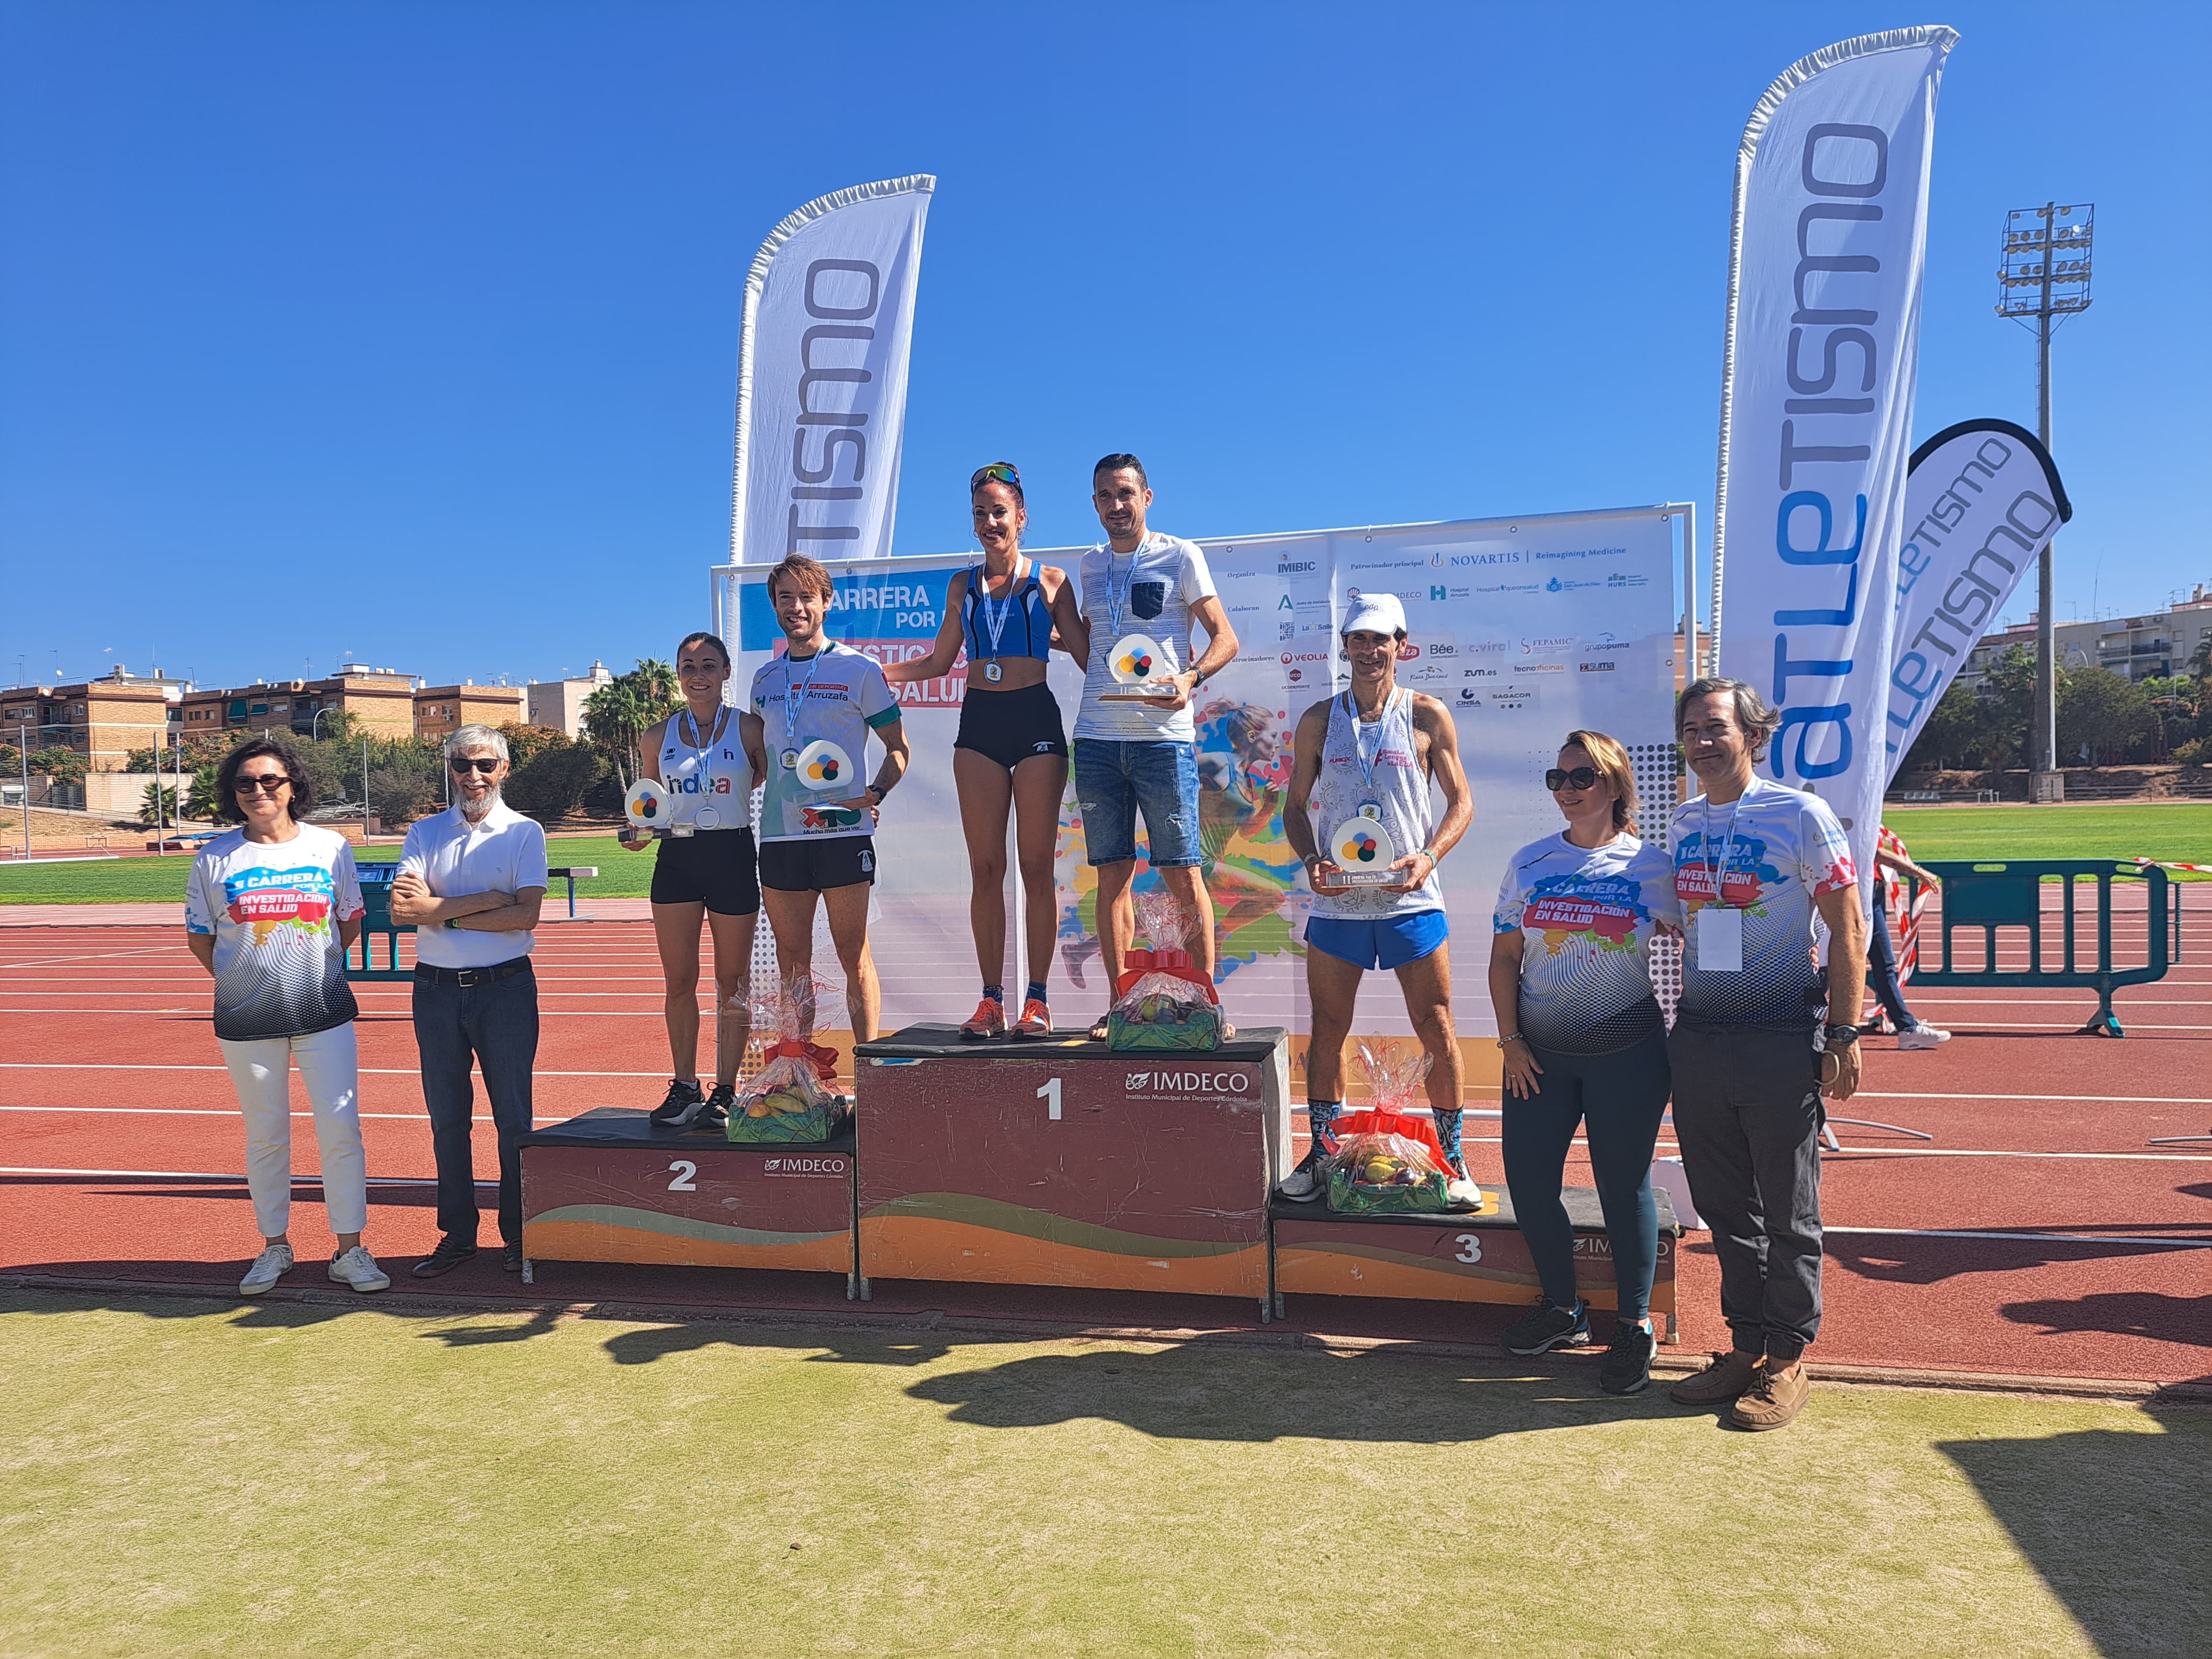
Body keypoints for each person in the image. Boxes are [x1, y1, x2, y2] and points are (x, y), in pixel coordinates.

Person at [1662, 677, 1868, 1432]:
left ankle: (1788, 1358)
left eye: (1716, 727)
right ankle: (1745, 1348)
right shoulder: (1684, 822)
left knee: (1788, 1206)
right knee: (1723, 1208)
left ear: (1754, 735)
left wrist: (1843, 1032)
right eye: (1690, 730)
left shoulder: (1801, 814)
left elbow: (1847, 926)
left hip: (1781, 1035)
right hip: (1702, 1037)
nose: (1701, 742)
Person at [1487, 731, 1678, 1394]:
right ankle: (1564, 1312)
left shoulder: (1654, 867)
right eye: (1557, 779)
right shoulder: (1530, 862)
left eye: (1583, 778)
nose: (1567, 791)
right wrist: (1510, 1042)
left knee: (1623, 1191)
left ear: (1617, 786)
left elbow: (1706, 936)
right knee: (1531, 1186)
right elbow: (1505, 958)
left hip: (1628, 1057)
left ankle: (1633, 1326)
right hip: (1539, 1058)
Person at [1276, 593, 1478, 1208]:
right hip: (1339, 904)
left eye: (1380, 640)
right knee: (1328, 1029)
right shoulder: (1318, 720)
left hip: (1408, 902)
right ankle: (1320, 1153)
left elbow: (1461, 802)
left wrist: (1429, 857)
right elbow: (1293, 806)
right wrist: (1312, 860)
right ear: (1345, 647)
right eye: (1358, 640)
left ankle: (1453, 1159)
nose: (1369, 651)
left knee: (1437, 1027)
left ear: (1401, 644)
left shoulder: (1427, 715)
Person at [882, 463, 1087, 1040]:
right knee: (985, 870)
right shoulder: (960, 586)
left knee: (1036, 868)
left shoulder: (1049, 581)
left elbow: (1085, 652)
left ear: (1021, 516)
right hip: (980, 724)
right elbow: (937, 662)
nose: (990, 522)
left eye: (1000, 511)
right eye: (980, 514)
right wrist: (873, 671)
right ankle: (992, 999)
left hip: (1036, 721)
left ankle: (1038, 1001)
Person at [184, 736, 388, 1296]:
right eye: (246, 783)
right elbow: (201, 936)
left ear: (293, 784)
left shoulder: (329, 848)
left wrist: (312, 969)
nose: (258, 791)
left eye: (270, 780)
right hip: (245, 1015)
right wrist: (240, 980)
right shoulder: (216, 856)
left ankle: (350, 1250)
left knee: (340, 1129)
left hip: (323, 1008)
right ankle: (274, 1246)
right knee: (266, 1136)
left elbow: (348, 922)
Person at [1071, 453, 1240, 1040]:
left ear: (1146, 496)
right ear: (1094, 504)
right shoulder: (1088, 565)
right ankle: (1122, 1006)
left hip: (1162, 741)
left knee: (1182, 876)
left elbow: (1226, 638)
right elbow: (1087, 645)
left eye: (1124, 494)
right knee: (1110, 878)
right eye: (1103, 496)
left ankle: (1205, 1005)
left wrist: (1190, 680)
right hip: (1095, 737)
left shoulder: (1181, 554)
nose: (1115, 507)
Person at [388, 725, 549, 1277]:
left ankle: (518, 1236)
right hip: (435, 992)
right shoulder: (425, 831)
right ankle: (457, 1236)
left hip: (504, 989)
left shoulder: (524, 832)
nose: (472, 776)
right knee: (447, 1121)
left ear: (504, 768)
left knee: (514, 1121)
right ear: (450, 770)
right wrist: (481, 903)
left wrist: (441, 906)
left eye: (484, 765)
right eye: (462, 765)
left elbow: (525, 915)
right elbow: (402, 912)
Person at [742, 553, 910, 1051]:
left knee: (852, 952)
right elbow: (761, 766)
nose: (796, 607)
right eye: (785, 597)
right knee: (793, 959)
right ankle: (797, 1069)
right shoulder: (764, 681)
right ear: (774, 606)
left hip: (841, 831)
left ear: (826, 603)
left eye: (806, 597)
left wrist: (875, 793)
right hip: (781, 836)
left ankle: (868, 1066)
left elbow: (899, 750)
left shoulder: (860, 670)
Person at [618, 632, 764, 1128]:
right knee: (679, 981)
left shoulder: (749, 730)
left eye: (708, 665)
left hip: (732, 853)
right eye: (687, 666)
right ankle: (684, 1086)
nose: (697, 675)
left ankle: (726, 1090)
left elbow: (758, 777)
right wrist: (638, 834)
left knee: (732, 982)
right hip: (677, 857)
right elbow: (649, 805)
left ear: (725, 672)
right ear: (677, 676)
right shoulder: (657, 737)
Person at [1862, 826, 1949, 1048]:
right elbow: (1874, 852)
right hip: (1860, 893)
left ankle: (1907, 1029)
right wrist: (1918, 871)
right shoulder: (1850, 808)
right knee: (1832, 965)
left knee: (1883, 964)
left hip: (1870, 891)